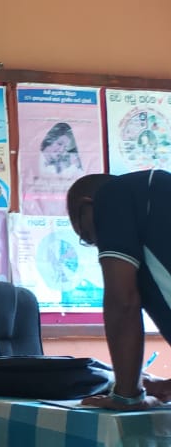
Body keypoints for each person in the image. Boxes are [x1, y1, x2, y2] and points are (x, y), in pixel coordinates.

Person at [67, 172, 171, 410]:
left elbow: (122, 302)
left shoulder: (113, 197)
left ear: (86, 206)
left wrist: (127, 395)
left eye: (87, 236)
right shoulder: (156, 198)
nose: (99, 245)